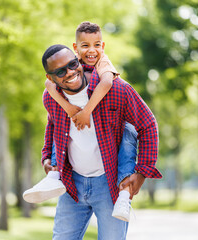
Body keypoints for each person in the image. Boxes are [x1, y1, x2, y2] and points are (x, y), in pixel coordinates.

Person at [36, 44, 161, 239]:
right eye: (60, 71)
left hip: (110, 184)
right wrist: (46, 158)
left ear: (78, 60)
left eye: (72, 64)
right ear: (50, 78)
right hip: (72, 184)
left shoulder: (116, 89)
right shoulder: (51, 98)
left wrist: (142, 171)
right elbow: (52, 126)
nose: (70, 72)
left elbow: (148, 125)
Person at [23, 22, 138, 222]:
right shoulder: (70, 63)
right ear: (76, 49)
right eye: (85, 46)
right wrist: (67, 108)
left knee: (129, 129)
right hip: (74, 179)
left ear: (103, 46)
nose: (91, 51)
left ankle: (124, 193)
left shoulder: (103, 64)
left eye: (97, 45)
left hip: (107, 173)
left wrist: (86, 112)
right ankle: (54, 177)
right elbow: (48, 87)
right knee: (60, 124)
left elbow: (107, 83)